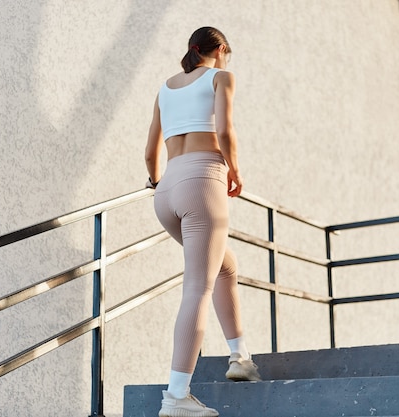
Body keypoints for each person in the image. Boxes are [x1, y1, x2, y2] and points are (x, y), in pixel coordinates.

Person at [144, 27, 261, 417]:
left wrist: (161, 182)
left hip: (167, 190)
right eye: (228, 54)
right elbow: (225, 131)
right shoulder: (221, 77)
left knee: (225, 266)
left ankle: (240, 356)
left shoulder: (165, 87)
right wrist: (235, 171)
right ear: (221, 50)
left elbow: (150, 153)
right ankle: (176, 396)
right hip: (201, 180)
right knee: (197, 285)